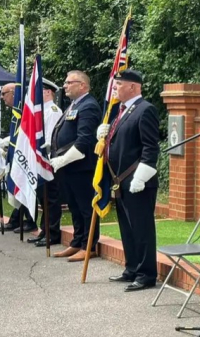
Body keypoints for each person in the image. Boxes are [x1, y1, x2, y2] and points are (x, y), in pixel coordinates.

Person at [97, 69, 160, 292]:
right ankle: (132, 268)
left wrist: (141, 176)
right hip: (120, 180)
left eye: (118, 85)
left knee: (142, 228)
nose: (114, 89)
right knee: (127, 227)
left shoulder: (145, 109)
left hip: (137, 181)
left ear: (133, 87)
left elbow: (151, 148)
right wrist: (103, 135)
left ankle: (146, 274)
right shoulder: (120, 111)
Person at [50, 70, 101, 262]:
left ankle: (90, 245)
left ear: (83, 85)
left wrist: (63, 159)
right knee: (74, 206)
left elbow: (84, 140)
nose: (65, 86)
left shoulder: (88, 106)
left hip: (82, 166)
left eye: (69, 82)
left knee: (86, 207)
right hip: (69, 167)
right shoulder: (73, 105)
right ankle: (77, 241)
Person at [0, 83, 36, 233]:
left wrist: (5, 141)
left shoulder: (25, 109)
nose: (2, 97)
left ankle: (29, 220)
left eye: (4, 94)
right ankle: (17, 219)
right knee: (19, 185)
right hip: (16, 154)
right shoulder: (17, 110)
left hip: (28, 156)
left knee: (24, 185)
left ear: (13, 92)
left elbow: (25, 133)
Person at [27, 78, 64, 247]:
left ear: (48, 92)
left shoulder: (53, 111)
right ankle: (45, 230)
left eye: (39, 91)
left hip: (48, 160)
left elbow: (50, 137)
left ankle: (52, 232)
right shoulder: (40, 111)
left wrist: (46, 157)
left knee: (51, 198)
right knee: (43, 197)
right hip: (39, 160)